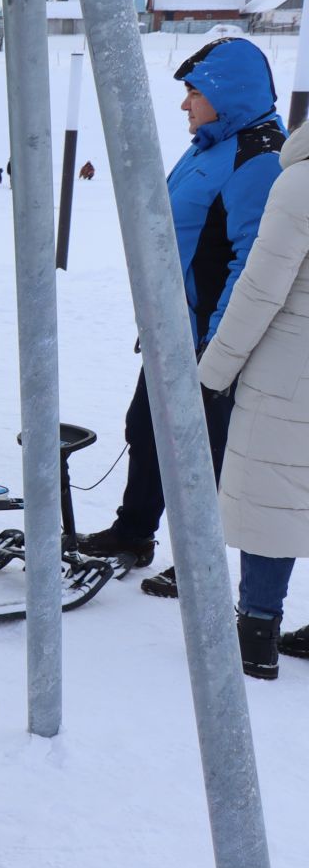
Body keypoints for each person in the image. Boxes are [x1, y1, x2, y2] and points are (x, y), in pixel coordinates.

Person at [77, 37, 287, 597]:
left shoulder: (259, 158)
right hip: (171, 330)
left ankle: (201, 560)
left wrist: (217, 347)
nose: (184, 104)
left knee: (211, 454)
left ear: (226, 93)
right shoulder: (209, 145)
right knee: (145, 431)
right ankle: (132, 534)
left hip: (212, 342)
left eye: (193, 92)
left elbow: (252, 260)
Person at [198, 122, 309, 678]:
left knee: (274, 492)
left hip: (292, 372)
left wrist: (212, 372)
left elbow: (260, 290)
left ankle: (256, 631)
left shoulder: (299, 184)